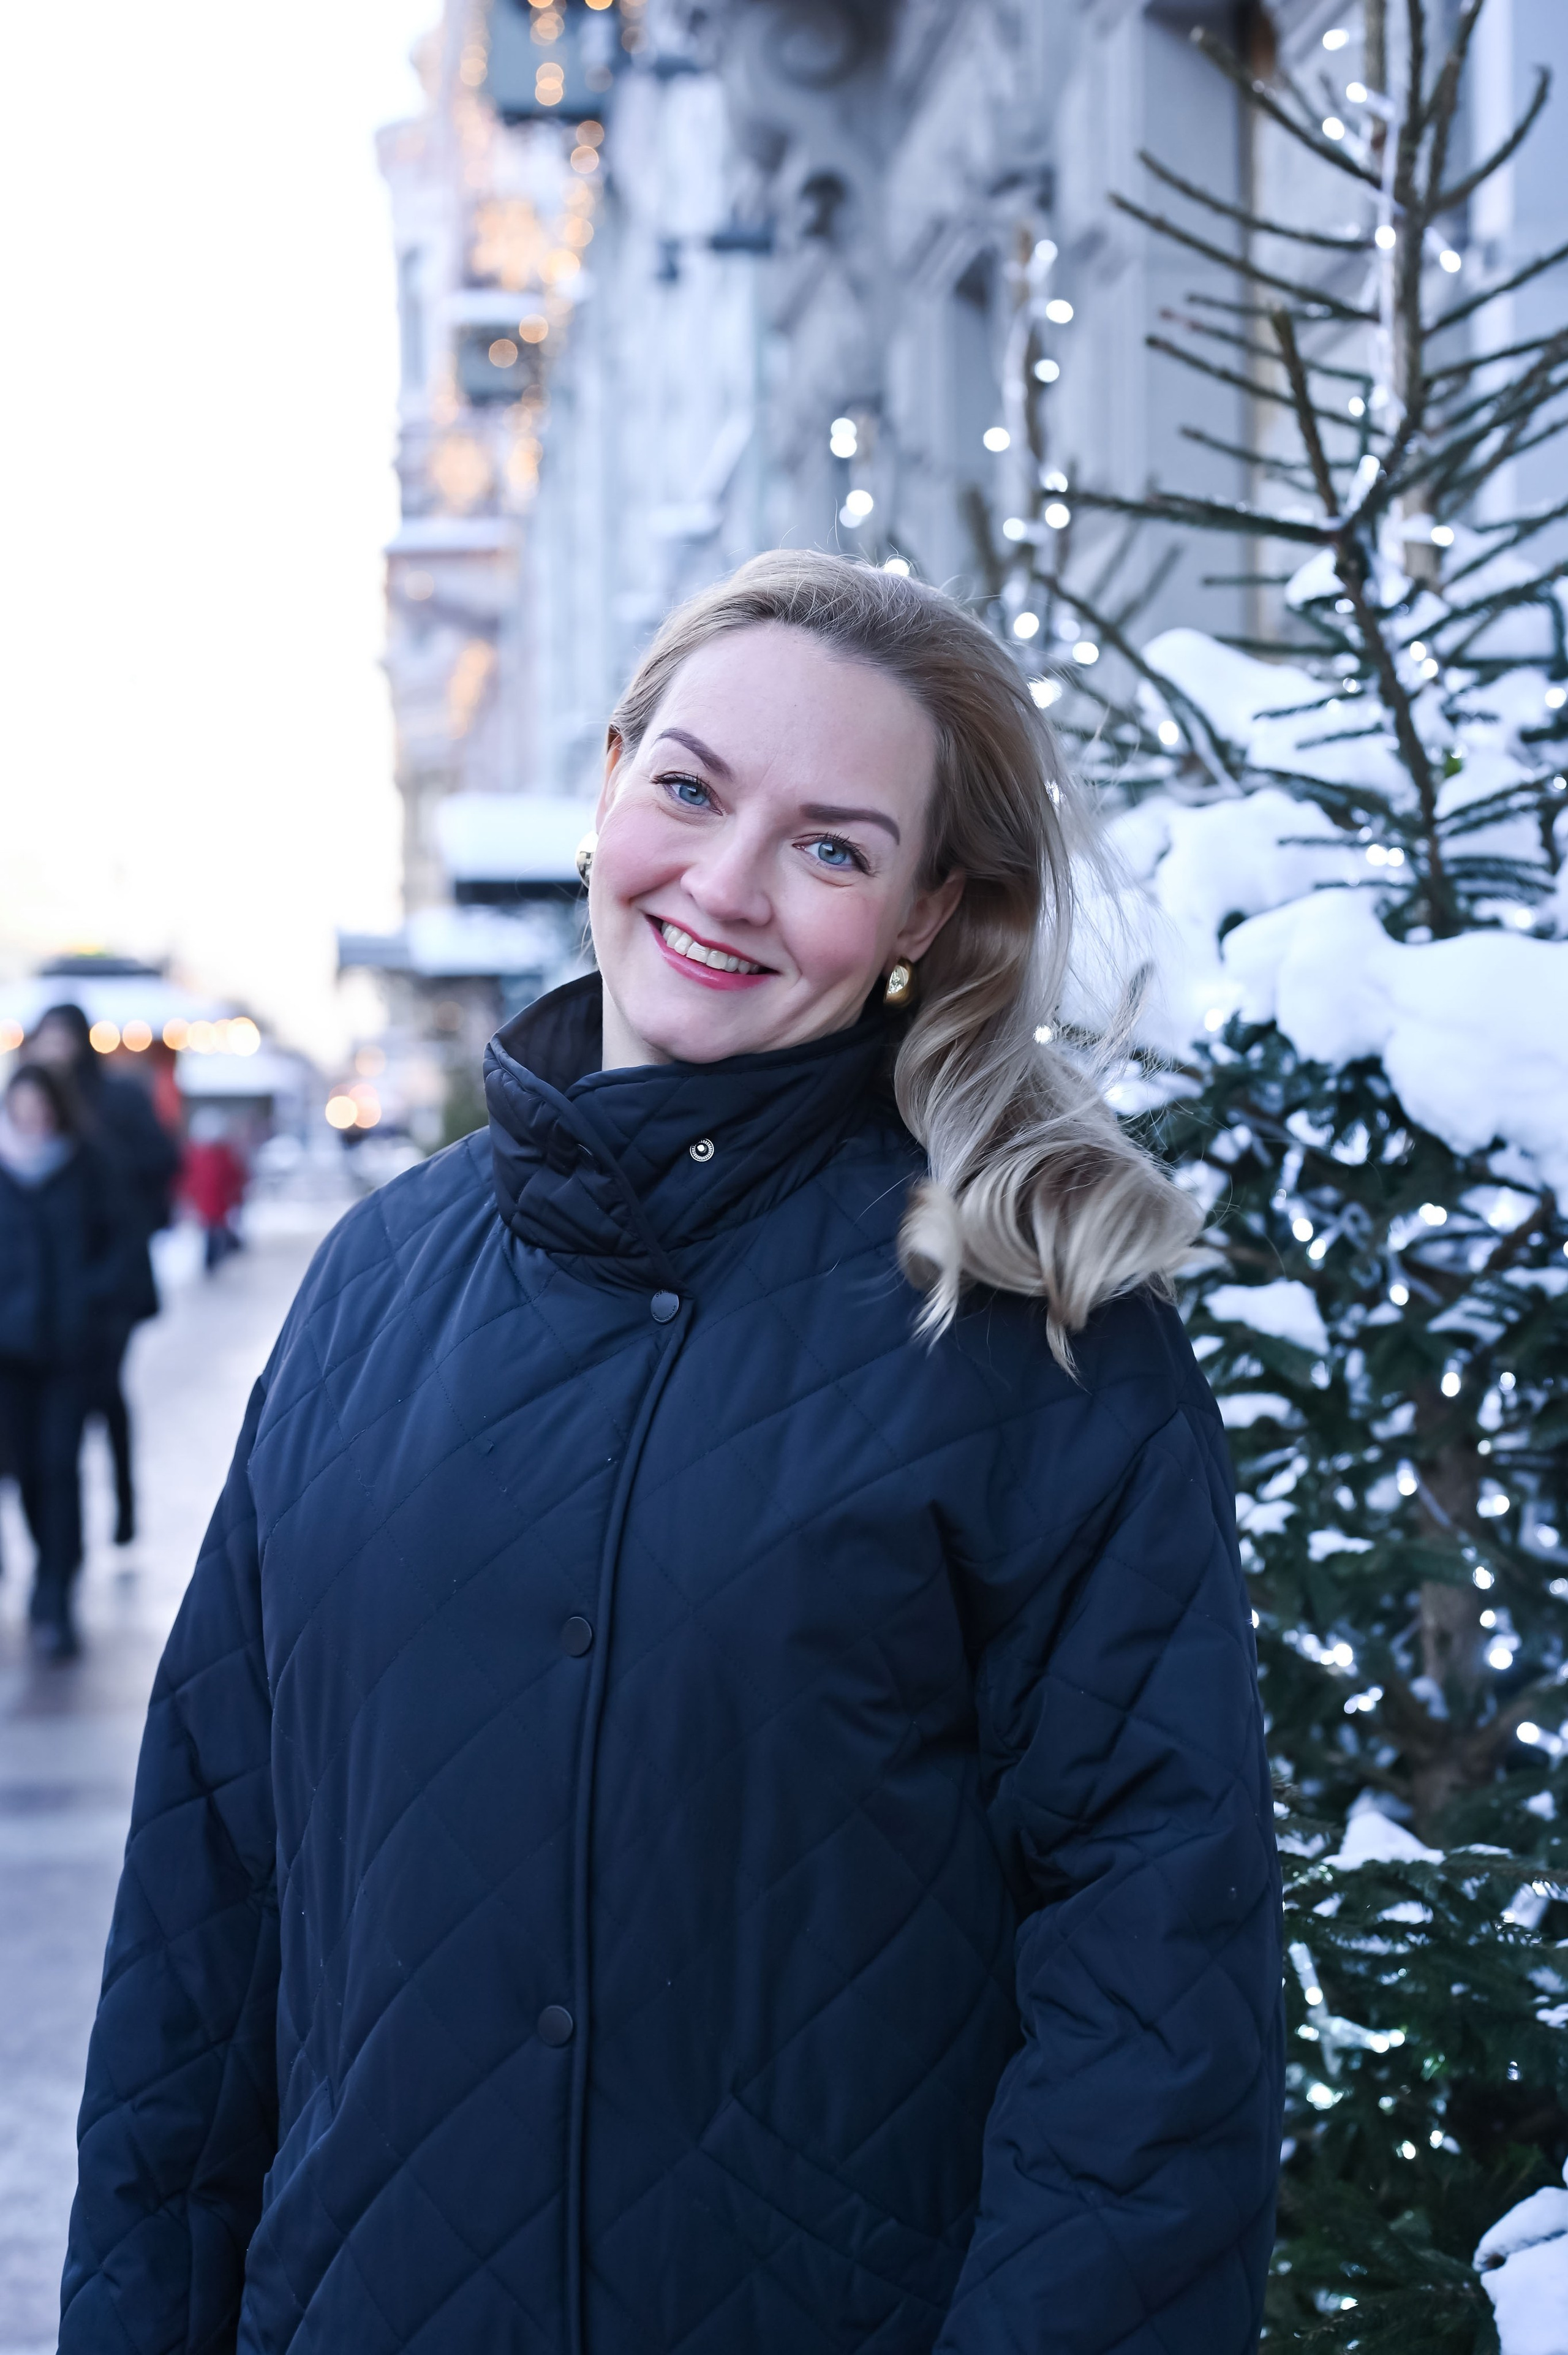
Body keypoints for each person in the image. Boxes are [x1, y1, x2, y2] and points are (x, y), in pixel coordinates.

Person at [62, 554, 1283, 2353]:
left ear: (927, 911)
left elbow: (1153, 1997)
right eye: (692, 789)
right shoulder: (374, 1284)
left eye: (829, 846)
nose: (723, 884)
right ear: (611, 779)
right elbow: (206, 1913)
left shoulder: (1029, 1325)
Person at [29, 1002, 180, 1545]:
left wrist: (111, 1176)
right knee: (62, 1400)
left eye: (62, 1037)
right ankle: (65, 1524)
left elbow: (164, 1159)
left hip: (114, 1275)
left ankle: (122, 1502)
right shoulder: (31, 1101)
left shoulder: (117, 1098)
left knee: (104, 1389)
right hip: (53, 1280)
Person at [0, 1064, 127, 1658]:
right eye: (24, 1106)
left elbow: (123, 1244)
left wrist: (91, 1302)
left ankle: (56, 1593)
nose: (35, 1117)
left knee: (60, 1468)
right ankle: (44, 1572)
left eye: (43, 1105)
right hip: (9, 1355)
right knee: (27, 1471)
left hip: (71, 1351)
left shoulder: (90, 1164)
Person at [181, 1108, 249, 1272]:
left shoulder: (220, 1155)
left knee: (215, 1236)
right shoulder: (199, 1155)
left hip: (217, 1207)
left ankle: (215, 1262)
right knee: (212, 1236)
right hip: (210, 1207)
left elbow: (235, 1179)